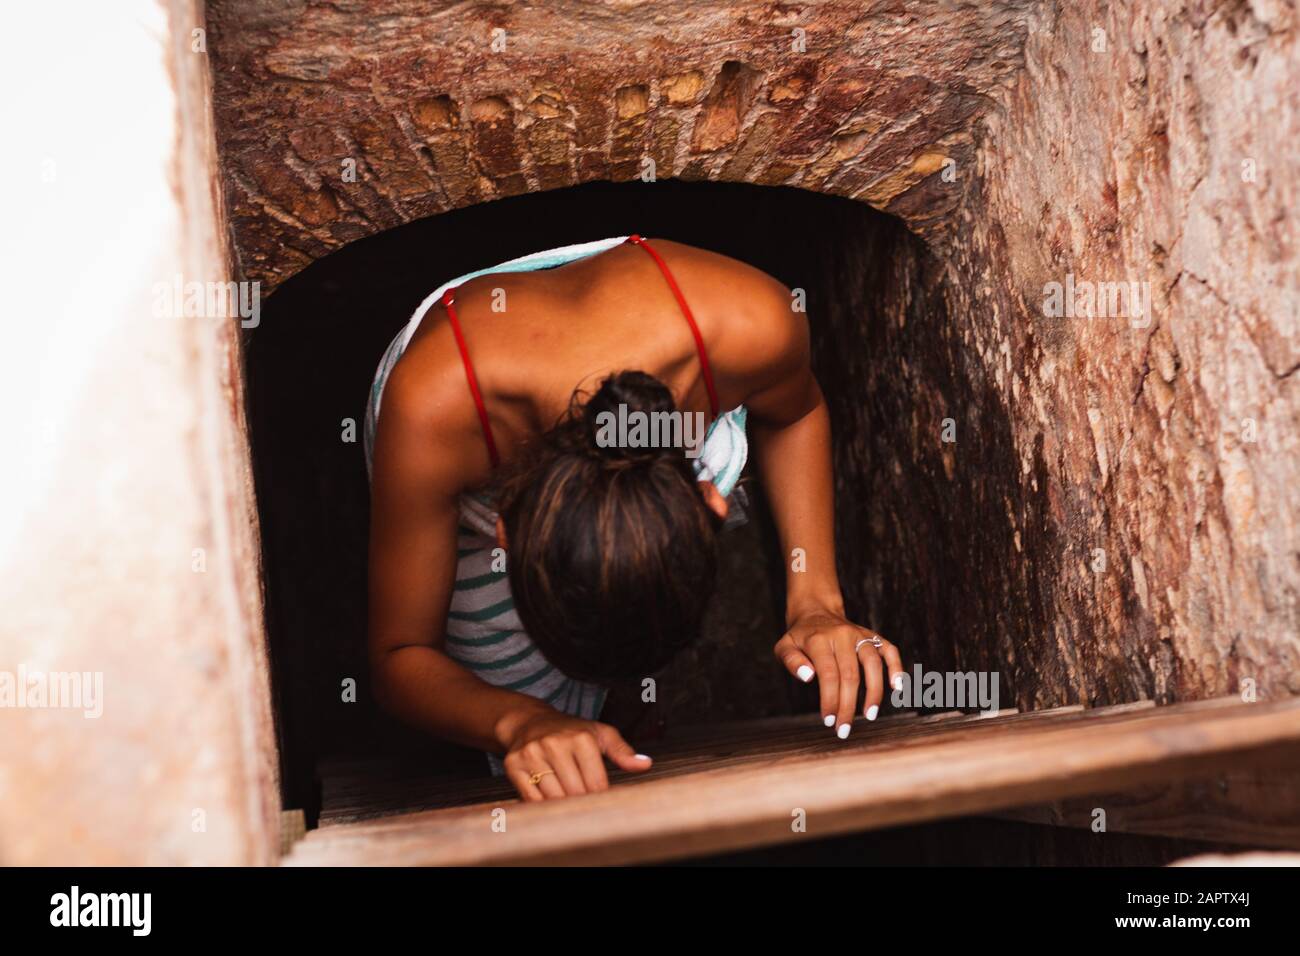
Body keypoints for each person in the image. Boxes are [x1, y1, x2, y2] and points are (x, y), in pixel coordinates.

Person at [365, 234, 903, 801]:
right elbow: (400, 651)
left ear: (710, 500)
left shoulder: (751, 323)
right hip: (460, 424)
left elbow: (796, 412)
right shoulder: (431, 413)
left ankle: (608, 705)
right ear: (502, 531)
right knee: (490, 668)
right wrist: (518, 721)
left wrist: (815, 602)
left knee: (619, 589)